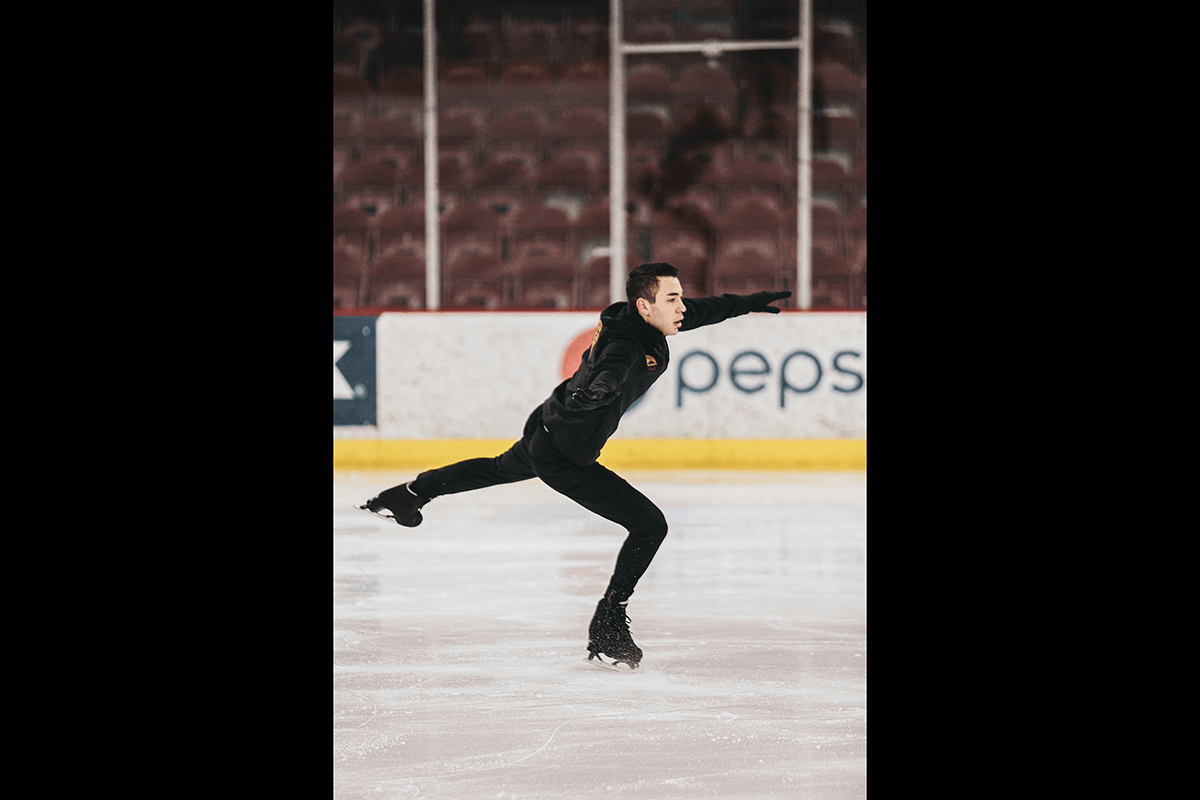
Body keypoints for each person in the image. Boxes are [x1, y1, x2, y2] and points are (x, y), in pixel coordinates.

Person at [360, 263, 790, 670]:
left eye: (680, 298)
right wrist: (600, 392)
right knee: (649, 526)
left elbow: (706, 310)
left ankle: (407, 495)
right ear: (645, 306)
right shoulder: (625, 342)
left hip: (548, 423)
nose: (682, 307)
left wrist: (749, 301)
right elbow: (612, 369)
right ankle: (607, 626)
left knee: (496, 468)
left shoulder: (642, 317)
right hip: (564, 453)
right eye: (673, 299)